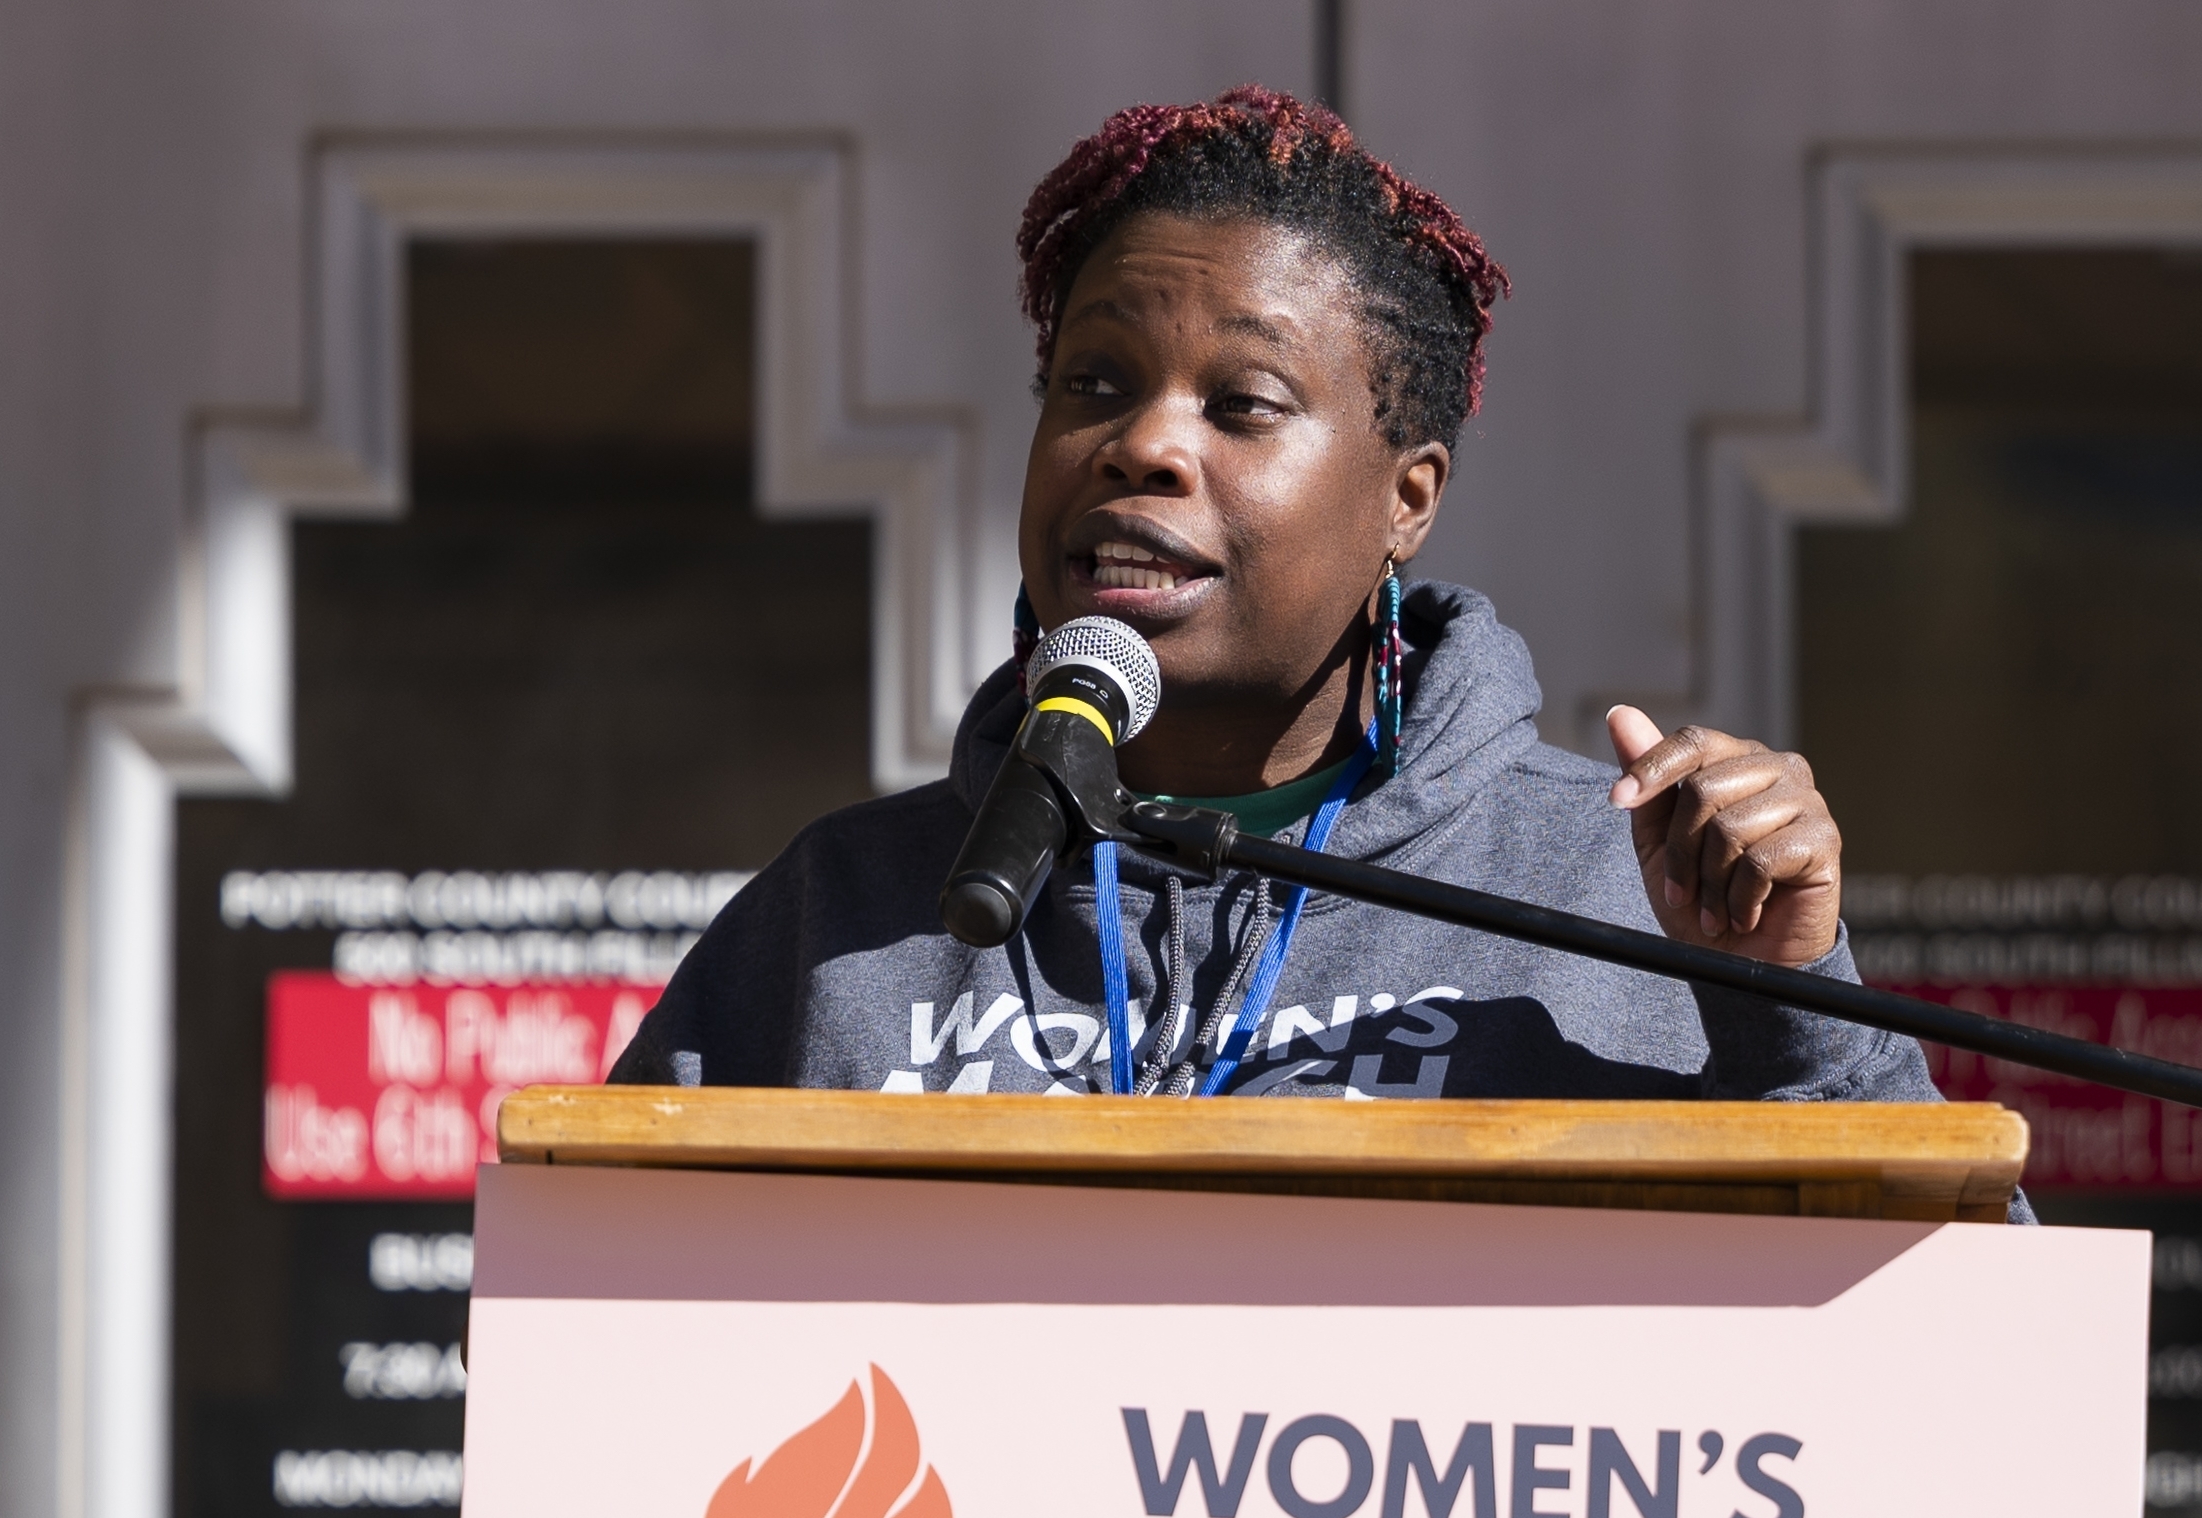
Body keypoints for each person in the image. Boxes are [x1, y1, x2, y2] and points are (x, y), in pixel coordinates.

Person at [612, 86, 1940, 1106]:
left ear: (1403, 501)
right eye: (1091, 385)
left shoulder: (1615, 896)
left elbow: (1950, 1358)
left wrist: (1784, 994)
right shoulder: (843, 910)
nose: (1143, 445)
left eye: (1241, 404)